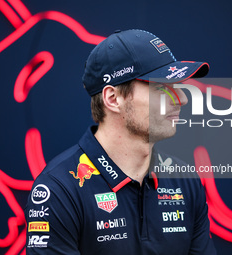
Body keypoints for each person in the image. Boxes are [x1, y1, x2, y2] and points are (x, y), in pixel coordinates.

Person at [25, 29, 216, 254]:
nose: (182, 98)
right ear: (113, 99)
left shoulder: (185, 181)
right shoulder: (59, 190)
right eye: (162, 87)